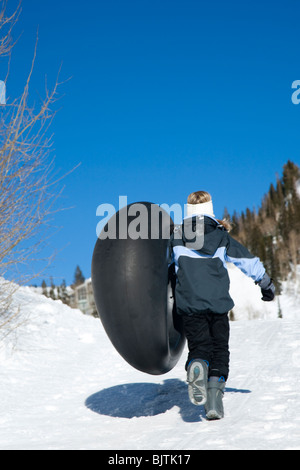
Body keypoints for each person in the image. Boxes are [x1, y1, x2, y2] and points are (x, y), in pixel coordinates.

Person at [170, 191, 275, 420]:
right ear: (210, 209)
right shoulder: (220, 236)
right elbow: (246, 260)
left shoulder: (176, 236)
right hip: (217, 303)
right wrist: (265, 283)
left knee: (200, 346)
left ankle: (197, 364)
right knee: (219, 349)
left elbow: (161, 268)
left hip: (189, 302)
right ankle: (214, 400)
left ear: (187, 209)